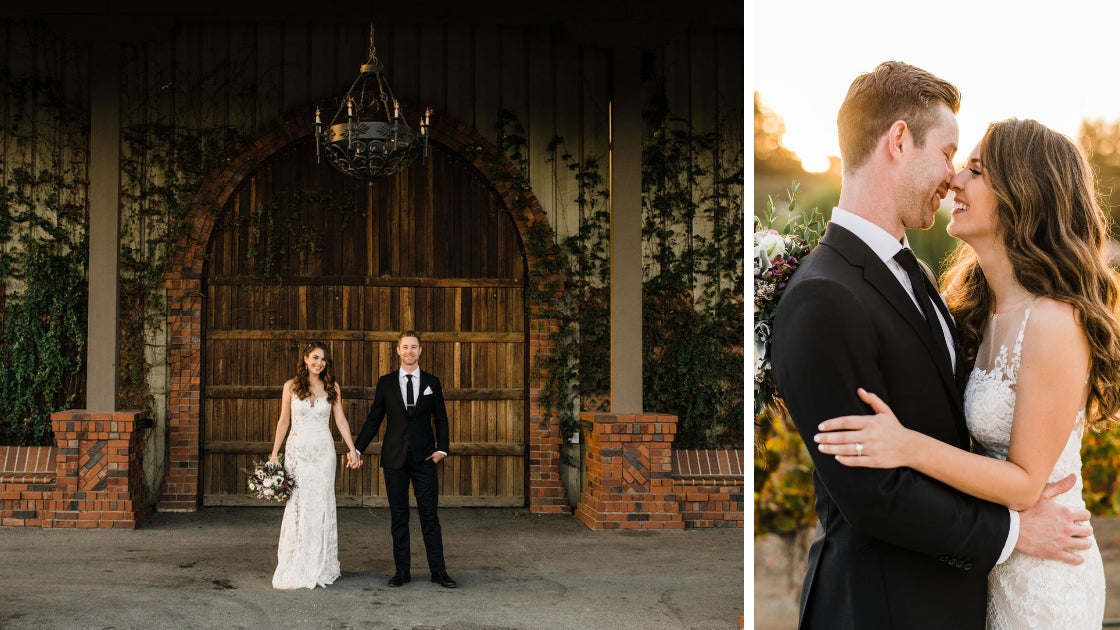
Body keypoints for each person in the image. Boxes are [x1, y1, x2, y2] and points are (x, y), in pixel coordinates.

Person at [770, 61, 1093, 630]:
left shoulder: (918, 276)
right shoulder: (824, 295)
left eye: (971, 167)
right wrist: (1015, 531)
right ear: (898, 140)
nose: (953, 178)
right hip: (884, 608)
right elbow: (873, 496)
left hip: (1015, 586)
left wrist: (913, 447)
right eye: (950, 156)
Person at [350, 330, 456, 588]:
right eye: (405, 347)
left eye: (414, 347)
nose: (409, 351)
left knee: (430, 517)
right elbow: (375, 419)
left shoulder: (432, 382)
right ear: (398, 351)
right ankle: (402, 571)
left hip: (425, 459)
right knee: (399, 517)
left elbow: (440, 419)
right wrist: (358, 449)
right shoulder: (386, 382)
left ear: (421, 350)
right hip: (394, 459)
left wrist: (442, 450)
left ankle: (438, 571)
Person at [268, 341, 360, 589]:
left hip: (323, 455)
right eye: (315, 358)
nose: (319, 363)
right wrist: (274, 454)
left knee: (321, 504)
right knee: (298, 505)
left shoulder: (332, 387)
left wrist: (352, 448)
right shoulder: (291, 386)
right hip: (297, 454)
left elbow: (340, 420)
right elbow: (283, 421)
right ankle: (296, 560)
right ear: (306, 359)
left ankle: (321, 561)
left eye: (323, 359)